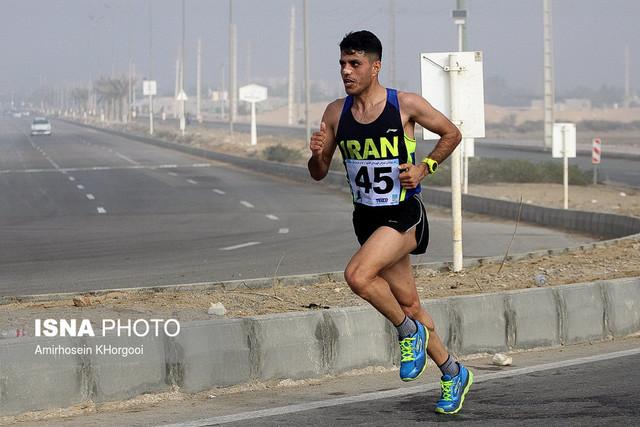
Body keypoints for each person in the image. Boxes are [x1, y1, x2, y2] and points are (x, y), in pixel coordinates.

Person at [307, 30, 472, 415]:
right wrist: (316, 155)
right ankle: (453, 371)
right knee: (410, 303)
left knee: (358, 276)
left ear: (375, 66)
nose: (346, 71)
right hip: (366, 218)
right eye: (342, 65)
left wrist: (424, 167)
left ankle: (406, 332)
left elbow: (452, 132)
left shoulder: (405, 105)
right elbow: (318, 172)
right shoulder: (335, 113)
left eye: (355, 64)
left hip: (403, 213)